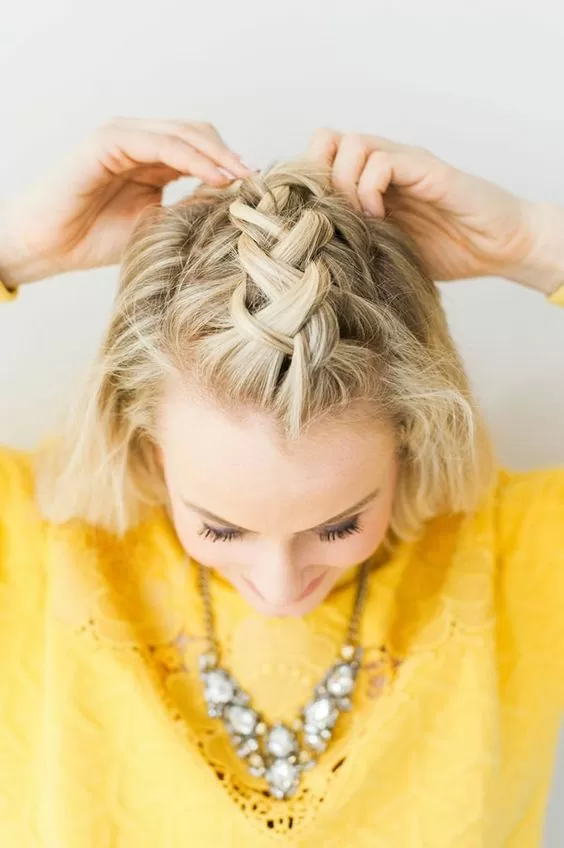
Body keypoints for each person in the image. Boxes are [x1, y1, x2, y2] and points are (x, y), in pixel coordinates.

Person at [0, 117, 563, 847]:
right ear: (146, 447)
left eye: (337, 526)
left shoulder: (518, 558)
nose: (278, 586)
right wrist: (12, 248)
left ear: (409, 441)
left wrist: (533, 242)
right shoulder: (34, 551)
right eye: (220, 528)